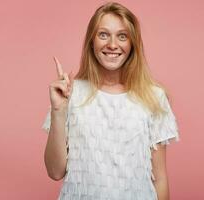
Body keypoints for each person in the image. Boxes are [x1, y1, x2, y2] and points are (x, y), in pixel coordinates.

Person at [42, 2, 179, 200]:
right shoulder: (70, 94)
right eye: (103, 34)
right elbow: (55, 172)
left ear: (132, 44)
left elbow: (160, 179)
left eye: (122, 36)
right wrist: (58, 110)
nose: (112, 44)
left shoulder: (153, 97)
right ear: (91, 41)